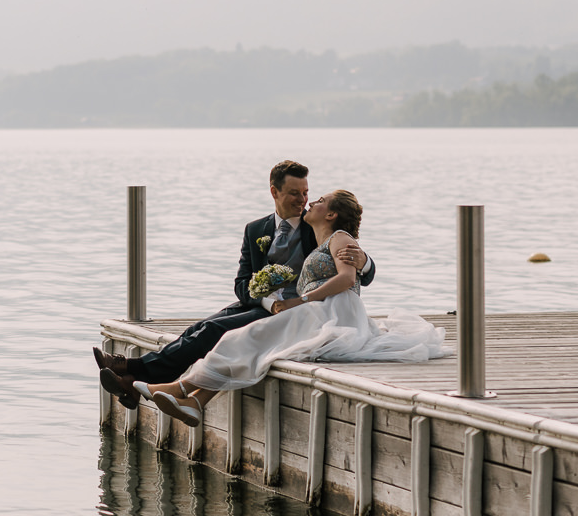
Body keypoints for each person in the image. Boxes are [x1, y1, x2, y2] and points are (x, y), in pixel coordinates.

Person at [138, 188, 446, 427]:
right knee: (254, 342)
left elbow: (347, 278)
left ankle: (181, 387)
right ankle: (195, 400)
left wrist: (301, 300)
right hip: (320, 311)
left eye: (321, 200)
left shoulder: (340, 238)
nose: (312, 203)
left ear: (332, 215)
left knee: (249, 337)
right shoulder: (321, 237)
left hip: (331, 311)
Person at [94, 160, 377, 407]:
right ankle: (132, 382)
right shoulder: (255, 229)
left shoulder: (314, 225)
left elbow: (348, 264)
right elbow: (242, 282)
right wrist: (267, 301)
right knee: (200, 327)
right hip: (264, 304)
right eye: (294, 193)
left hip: (300, 310)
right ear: (274, 192)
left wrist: (364, 260)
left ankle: (132, 371)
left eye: (305, 193)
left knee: (215, 331)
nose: (303, 200)